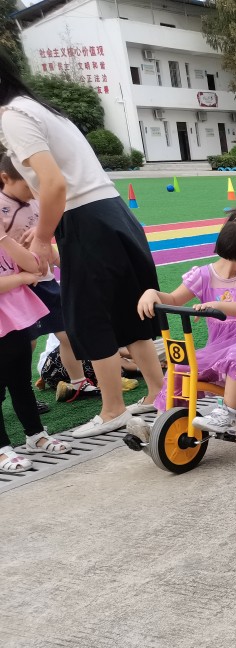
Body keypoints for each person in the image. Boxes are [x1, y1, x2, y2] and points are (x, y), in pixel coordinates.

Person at [0, 49, 164, 438]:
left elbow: (54, 183)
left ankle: (113, 408)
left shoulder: (13, 116)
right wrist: (44, 226)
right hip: (113, 213)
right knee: (129, 311)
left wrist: (43, 239)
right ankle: (158, 392)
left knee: (90, 317)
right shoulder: (43, 109)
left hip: (85, 220)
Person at [136, 209, 236, 439]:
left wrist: (216, 305)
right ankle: (161, 426)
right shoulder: (204, 275)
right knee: (180, 368)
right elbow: (174, 299)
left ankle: (228, 415)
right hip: (219, 346)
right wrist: (151, 293)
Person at [0, 153, 89, 408]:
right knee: (25, 343)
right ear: (6, 178)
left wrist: (62, 263)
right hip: (19, 285)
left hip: (45, 280)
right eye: (26, 185)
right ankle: (20, 391)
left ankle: (78, 382)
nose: (32, 190)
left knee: (67, 332)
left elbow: (46, 242)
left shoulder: (37, 202)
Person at [0, 233, 70, 472]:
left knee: (21, 383)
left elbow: (36, 266)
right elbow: (26, 274)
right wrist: (21, 278)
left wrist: (3, 237)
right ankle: (2, 448)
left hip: (17, 318)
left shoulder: (4, 239)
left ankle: (35, 435)